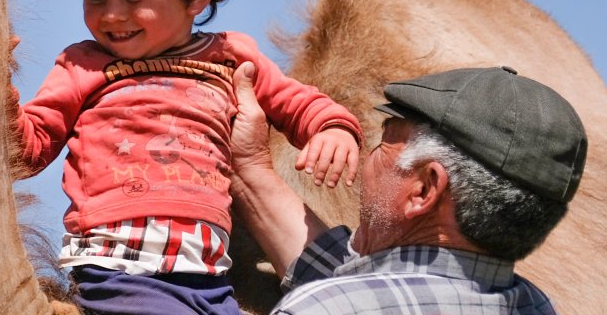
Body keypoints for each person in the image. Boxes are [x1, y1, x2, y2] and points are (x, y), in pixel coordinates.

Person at [14, 0, 364, 315]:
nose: (112, 15)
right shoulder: (83, 64)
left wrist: (331, 128)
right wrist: (0, 93)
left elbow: (297, 101)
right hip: (121, 269)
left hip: (209, 273)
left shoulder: (232, 57)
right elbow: (28, 150)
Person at [228, 63, 587, 315]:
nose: (369, 157)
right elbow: (361, 279)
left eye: (385, 142)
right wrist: (250, 169)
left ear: (424, 189)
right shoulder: (536, 304)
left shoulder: (321, 309)